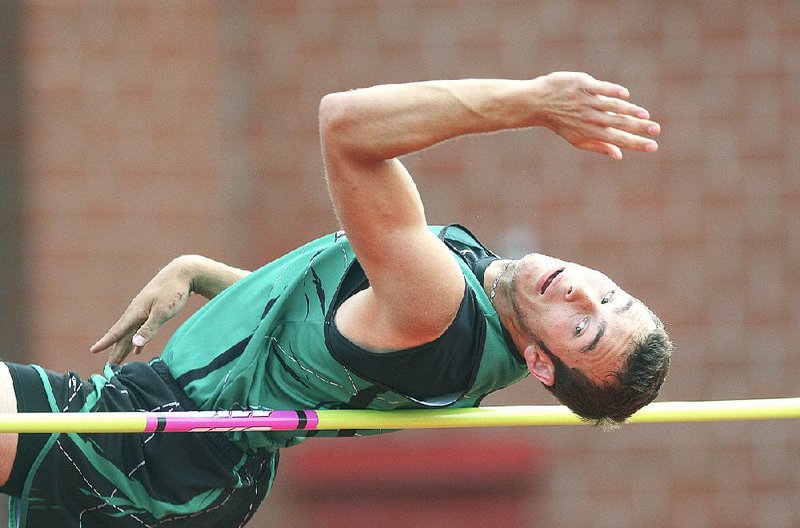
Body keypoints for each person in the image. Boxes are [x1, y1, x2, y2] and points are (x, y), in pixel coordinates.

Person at [0, 72, 671, 527]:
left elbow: (346, 126)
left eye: (582, 328)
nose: (583, 292)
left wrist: (534, 101)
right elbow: (309, 341)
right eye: (609, 295)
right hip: (181, 466)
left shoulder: (439, 308)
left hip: (149, 452)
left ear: (544, 365)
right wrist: (201, 269)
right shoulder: (471, 314)